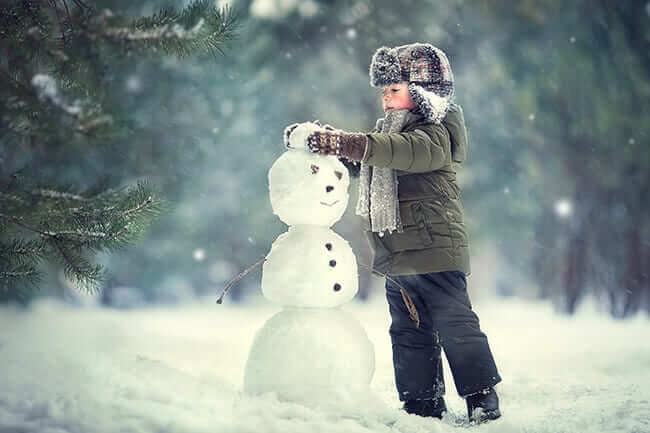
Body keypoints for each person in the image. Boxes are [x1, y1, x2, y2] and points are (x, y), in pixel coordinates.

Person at [301, 43, 502, 423]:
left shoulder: (435, 133)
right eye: (383, 91)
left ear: (423, 93)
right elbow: (373, 157)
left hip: (436, 249)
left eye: (394, 90)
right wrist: (330, 150)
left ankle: (481, 397)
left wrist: (349, 142)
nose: (385, 99)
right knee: (409, 335)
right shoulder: (386, 135)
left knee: (456, 327)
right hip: (398, 255)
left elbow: (399, 152)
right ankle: (421, 405)